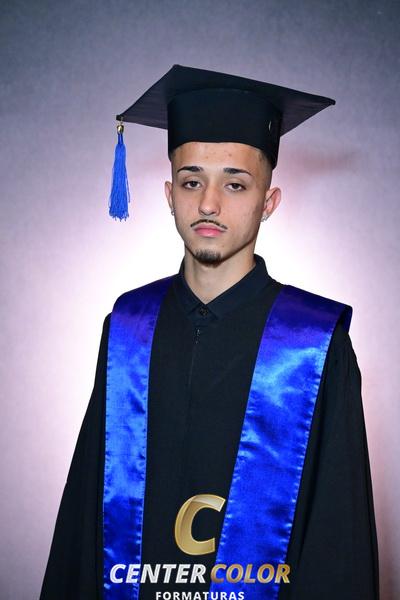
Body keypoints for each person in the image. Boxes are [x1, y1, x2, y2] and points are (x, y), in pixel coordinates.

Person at [40, 65, 379, 600]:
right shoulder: (128, 328)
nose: (208, 204)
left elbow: (338, 542)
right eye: (192, 181)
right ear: (169, 193)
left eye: (235, 184)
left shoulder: (313, 345)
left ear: (269, 202)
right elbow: (85, 520)